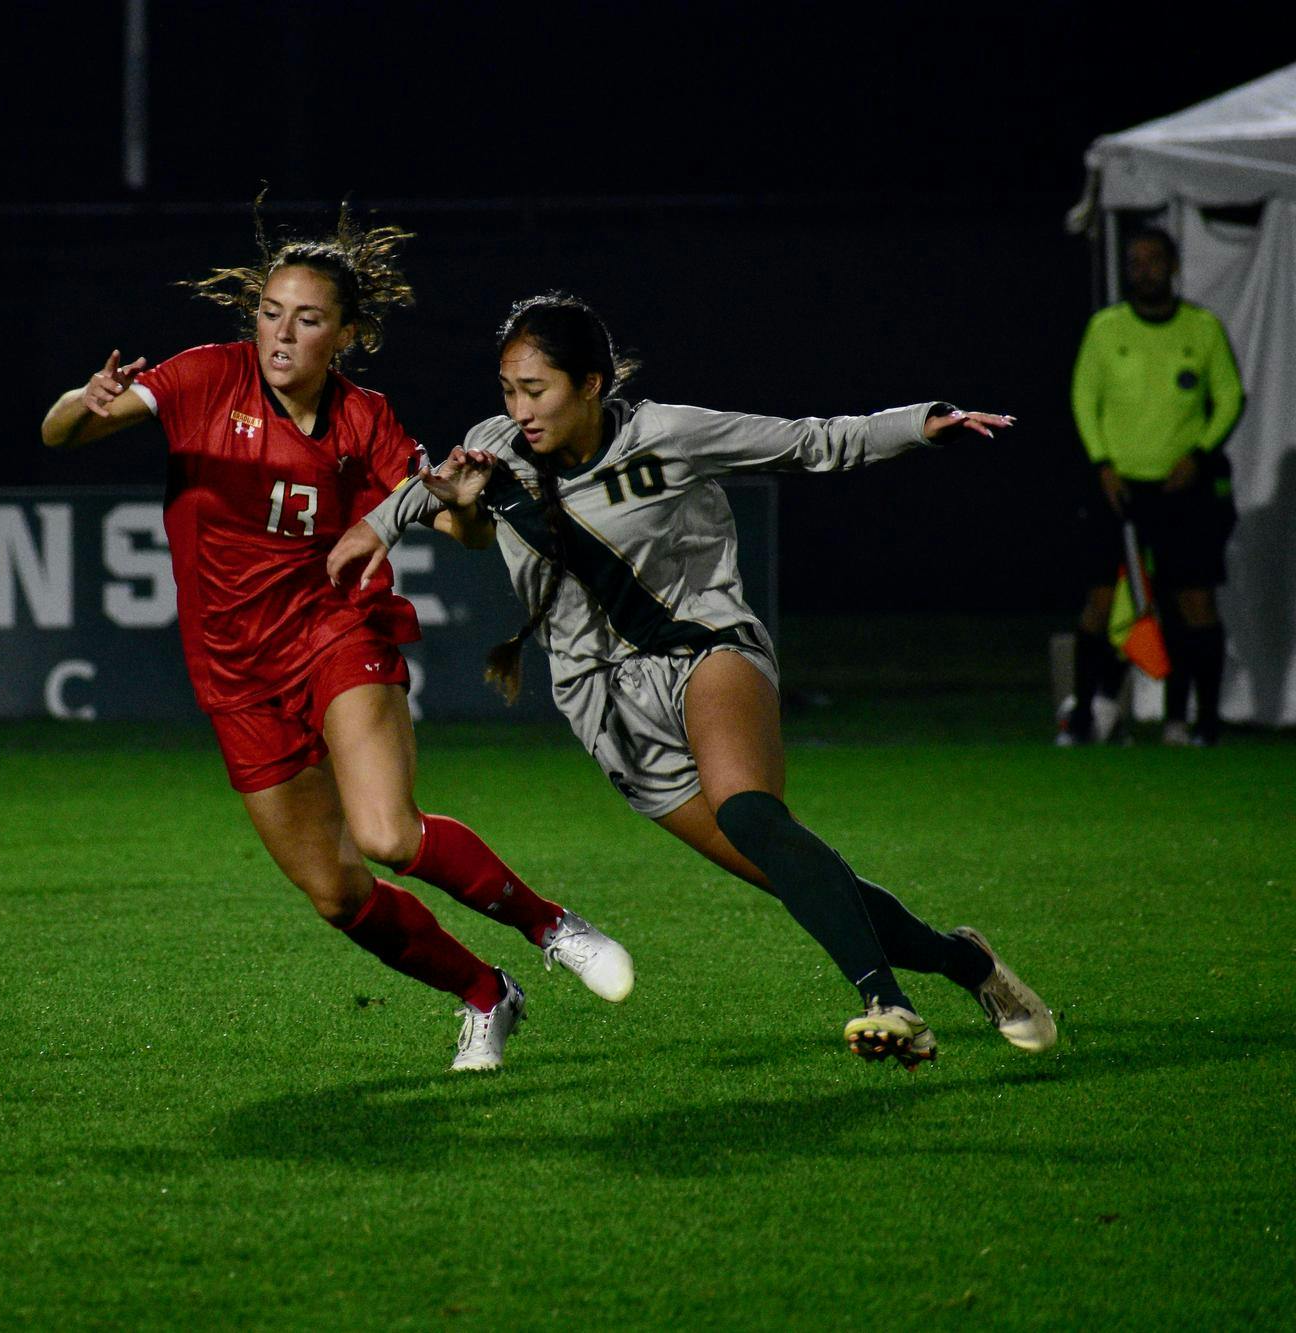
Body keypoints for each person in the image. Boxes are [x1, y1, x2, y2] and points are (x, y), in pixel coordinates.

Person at [330, 293, 1056, 1069]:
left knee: (750, 812)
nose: (519, 409)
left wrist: (920, 422)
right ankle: (968, 963)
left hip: (702, 647)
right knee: (796, 874)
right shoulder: (494, 449)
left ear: (591, 384)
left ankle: (887, 1002)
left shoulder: (665, 436)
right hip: (607, 709)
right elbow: (443, 499)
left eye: (535, 389)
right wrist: (389, 523)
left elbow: (811, 442)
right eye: (508, 390)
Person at [39, 210, 630, 1072]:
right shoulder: (207, 378)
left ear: (345, 335)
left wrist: (466, 502)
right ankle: (485, 993)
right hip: (234, 672)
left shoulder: (364, 420)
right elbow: (59, 431)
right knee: (336, 890)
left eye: (307, 318)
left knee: (388, 832)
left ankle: (553, 927)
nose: (282, 332)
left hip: (335, 631)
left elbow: (455, 527)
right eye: (271, 311)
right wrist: (82, 401)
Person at [1064, 227, 1242, 747]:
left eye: (1154, 260)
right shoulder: (1106, 327)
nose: (1144, 269)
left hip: (1180, 488)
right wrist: (1102, 463)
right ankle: (1083, 721)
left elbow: (1230, 397)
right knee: (1100, 601)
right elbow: (1083, 398)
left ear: (1173, 266)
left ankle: (1198, 722)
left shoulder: (1202, 328)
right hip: (1117, 487)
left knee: (1194, 602)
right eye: (1135, 261)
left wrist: (1199, 454)